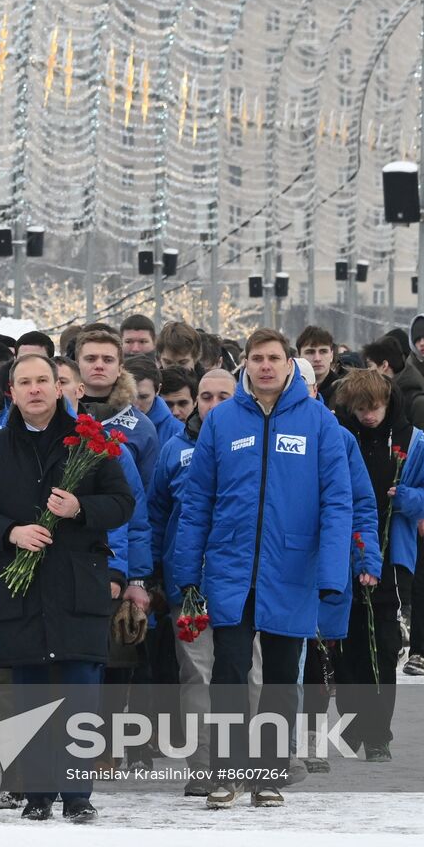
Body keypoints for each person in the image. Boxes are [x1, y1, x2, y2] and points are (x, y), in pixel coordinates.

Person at [173, 329, 351, 809]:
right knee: (228, 671)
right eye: (257, 358)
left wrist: (333, 573)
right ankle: (227, 774)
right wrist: (187, 570)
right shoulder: (223, 421)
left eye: (275, 358)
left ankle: (269, 773)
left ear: (290, 364)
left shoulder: (319, 422)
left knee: (279, 675)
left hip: (291, 567)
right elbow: (198, 502)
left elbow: (338, 501)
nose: (266, 366)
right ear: (246, 364)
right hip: (231, 567)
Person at [0, 354, 133, 823]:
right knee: (30, 693)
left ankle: (77, 793)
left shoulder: (90, 443)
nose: (35, 389)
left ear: (59, 389)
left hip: (77, 585)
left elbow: (123, 504)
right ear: (11, 392)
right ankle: (37, 793)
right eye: (24, 382)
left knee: (80, 692)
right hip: (21, 587)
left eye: (44, 381)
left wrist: (81, 508)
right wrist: (11, 533)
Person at [332, 367, 424, 757]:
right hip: (343, 552)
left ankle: (379, 732)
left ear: (388, 402)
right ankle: (353, 723)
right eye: (360, 409)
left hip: (391, 553)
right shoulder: (339, 437)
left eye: (374, 407)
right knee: (346, 644)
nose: (368, 416)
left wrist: (407, 497)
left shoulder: (415, 441)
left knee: (383, 643)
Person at [146, 367, 235, 793]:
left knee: (248, 673)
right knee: (197, 675)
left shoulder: (250, 444)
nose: (213, 405)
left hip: (240, 583)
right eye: (205, 397)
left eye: (223, 396)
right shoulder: (174, 450)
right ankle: (202, 768)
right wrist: (157, 576)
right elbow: (157, 514)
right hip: (190, 586)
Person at [74, 329, 160, 485]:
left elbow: (148, 488)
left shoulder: (141, 426)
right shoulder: (57, 415)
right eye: (91, 359)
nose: (99, 365)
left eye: (108, 360)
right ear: (77, 364)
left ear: (120, 368)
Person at [362, 339, 424, 443]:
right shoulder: (379, 397)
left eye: (369, 366)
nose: (366, 372)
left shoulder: (419, 403)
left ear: (384, 365)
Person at [127, 356, 179, 445]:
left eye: (143, 397)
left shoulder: (177, 432)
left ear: (158, 390)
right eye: (129, 396)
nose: (135, 405)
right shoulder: (103, 422)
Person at [296, 326, 340, 407]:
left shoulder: (346, 393)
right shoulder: (288, 391)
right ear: (299, 357)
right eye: (310, 352)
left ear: (331, 355)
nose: (317, 358)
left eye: (323, 351)